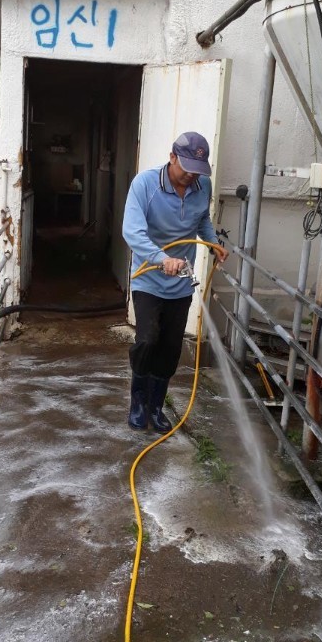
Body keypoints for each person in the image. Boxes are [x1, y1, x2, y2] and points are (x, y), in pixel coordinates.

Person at [122, 131, 229, 432]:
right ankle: (138, 401)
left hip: (180, 283)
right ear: (171, 158)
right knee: (147, 340)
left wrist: (213, 243)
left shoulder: (201, 185)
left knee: (170, 348)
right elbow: (132, 232)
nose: (190, 177)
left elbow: (202, 220)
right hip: (148, 279)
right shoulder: (144, 185)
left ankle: (156, 407)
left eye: (197, 172)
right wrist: (161, 259)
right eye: (185, 169)